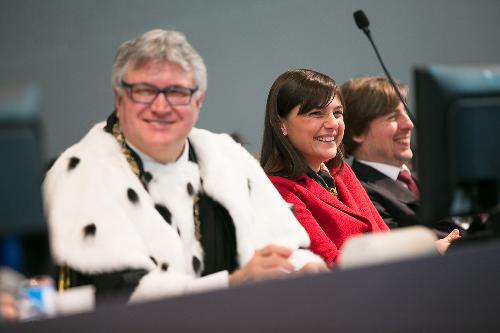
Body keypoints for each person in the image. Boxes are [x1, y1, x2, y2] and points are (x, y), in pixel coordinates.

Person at [43, 30, 326, 304]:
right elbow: (118, 296)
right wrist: (232, 284)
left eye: (177, 92)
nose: (161, 107)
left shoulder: (227, 158)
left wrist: (302, 269)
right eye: (144, 91)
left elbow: (284, 247)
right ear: (119, 100)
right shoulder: (81, 172)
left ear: (197, 101)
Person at [260, 69, 459, 267]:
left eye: (337, 113)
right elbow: (330, 266)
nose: (333, 124)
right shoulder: (279, 190)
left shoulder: (341, 171)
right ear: (281, 125)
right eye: (316, 113)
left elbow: (385, 239)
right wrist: (424, 253)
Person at [341, 76, 460, 237]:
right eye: (393, 117)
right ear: (357, 131)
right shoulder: (360, 194)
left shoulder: (429, 177)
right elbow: (404, 249)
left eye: (405, 112)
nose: (409, 124)